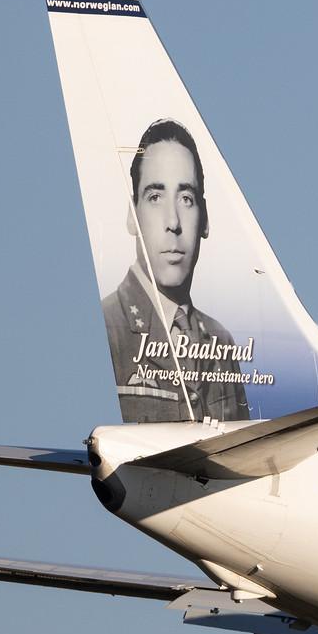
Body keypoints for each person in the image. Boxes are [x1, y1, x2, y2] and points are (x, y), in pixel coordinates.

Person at [101, 119, 251, 422]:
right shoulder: (110, 325)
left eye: (186, 199)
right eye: (155, 197)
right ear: (133, 216)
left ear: (204, 218)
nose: (174, 222)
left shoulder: (221, 341)